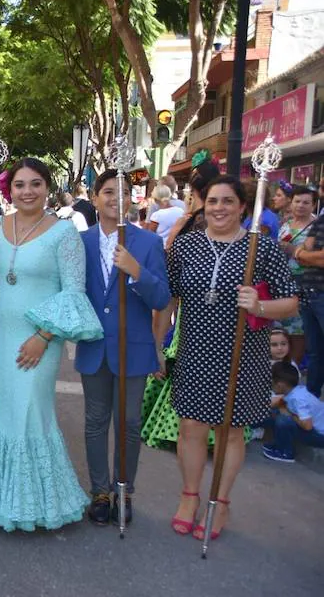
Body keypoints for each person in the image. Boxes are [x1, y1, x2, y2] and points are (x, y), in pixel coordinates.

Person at [0, 157, 103, 531]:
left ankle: (30, 502)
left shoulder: (63, 234)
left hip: (38, 341)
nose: (27, 192)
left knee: (28, 413)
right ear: (8, 191)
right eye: (20, 185)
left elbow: (74, 292)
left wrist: (44, 338)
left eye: (35, 184)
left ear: (47, 188)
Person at [161, 175, 298, 541]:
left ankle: (220, 502)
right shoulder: (187, 246)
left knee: (230, 432)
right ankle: (190, 497)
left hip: (243, 354)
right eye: (212, 201)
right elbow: (170, 297)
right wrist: (160, 345)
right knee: (191, 427)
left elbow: (290, 300)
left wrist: (261, 305)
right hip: (195, 349)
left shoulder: (263, 248)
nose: (219, 208)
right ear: (202, 206)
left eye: (227, 201)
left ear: (242, 207)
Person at [76, 169, 170, 526]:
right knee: (96, 421)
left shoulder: (148, 243)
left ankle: (124, 489)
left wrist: (136, 271)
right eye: (109, 191)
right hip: (94, 346)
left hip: (134, 347)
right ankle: (100, 491)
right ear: (95, 197)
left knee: (129, 423)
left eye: (125, 192)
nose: (117, 198)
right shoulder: (80, 242)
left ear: (134, 199)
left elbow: (161, 297)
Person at [277, 186, 317, 368]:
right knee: (282, 332)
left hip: (305, 286)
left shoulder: (317, 227)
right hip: (283, 285)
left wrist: (294, 252)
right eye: (297, 201)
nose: (301, 205)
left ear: (314, 205)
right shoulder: (285, 224)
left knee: (299, 332)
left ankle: (292, 371)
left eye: (306, 202)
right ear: (291, 203)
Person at [260, 362, 324, 463]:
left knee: (283, 420)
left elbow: (308, 426)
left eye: (271, 384)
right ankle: (278, 443)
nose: (270, 387)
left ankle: (285, 452)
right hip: (316, 429)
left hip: (320, 436)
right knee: (279, 412)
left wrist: (289, 414)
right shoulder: (297, 391)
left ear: (280, 385)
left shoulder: (297, 400)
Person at [293, 199, 324, 397]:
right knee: (315, 352)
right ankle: (312, 399)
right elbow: (302, 253)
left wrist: (303, 253)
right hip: (310, 292)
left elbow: (317, 257)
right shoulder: (320, 220)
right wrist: (302, 253)